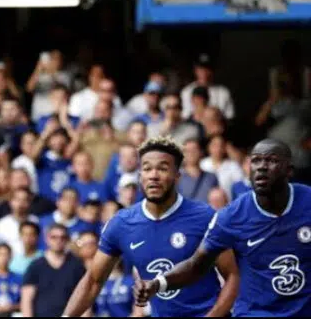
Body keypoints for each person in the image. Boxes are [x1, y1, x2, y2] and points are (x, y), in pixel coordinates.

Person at [62, 136, 239, 317]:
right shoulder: (121, 224)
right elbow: (93, 281)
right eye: (147, 168)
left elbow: (233, 275)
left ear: (178, 176)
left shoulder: (205, 217)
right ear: (140, 176)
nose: (154, 175)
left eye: (163, 168)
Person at [135, 138, 311, 316]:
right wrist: (158, 284)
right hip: (256, 312)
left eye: (271, 160)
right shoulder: (231, 216)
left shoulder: (308, 202)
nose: (262, 167)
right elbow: (196, 265)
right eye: (256, 160)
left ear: (289, 171)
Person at [20, 223, 85, 317]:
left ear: (67, 239)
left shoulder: (77, 266)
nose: (58, 240)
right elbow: (26, 300)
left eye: (62, 237)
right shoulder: (35, 266)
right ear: (47, 239)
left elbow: (84, 298)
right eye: (54, 237)